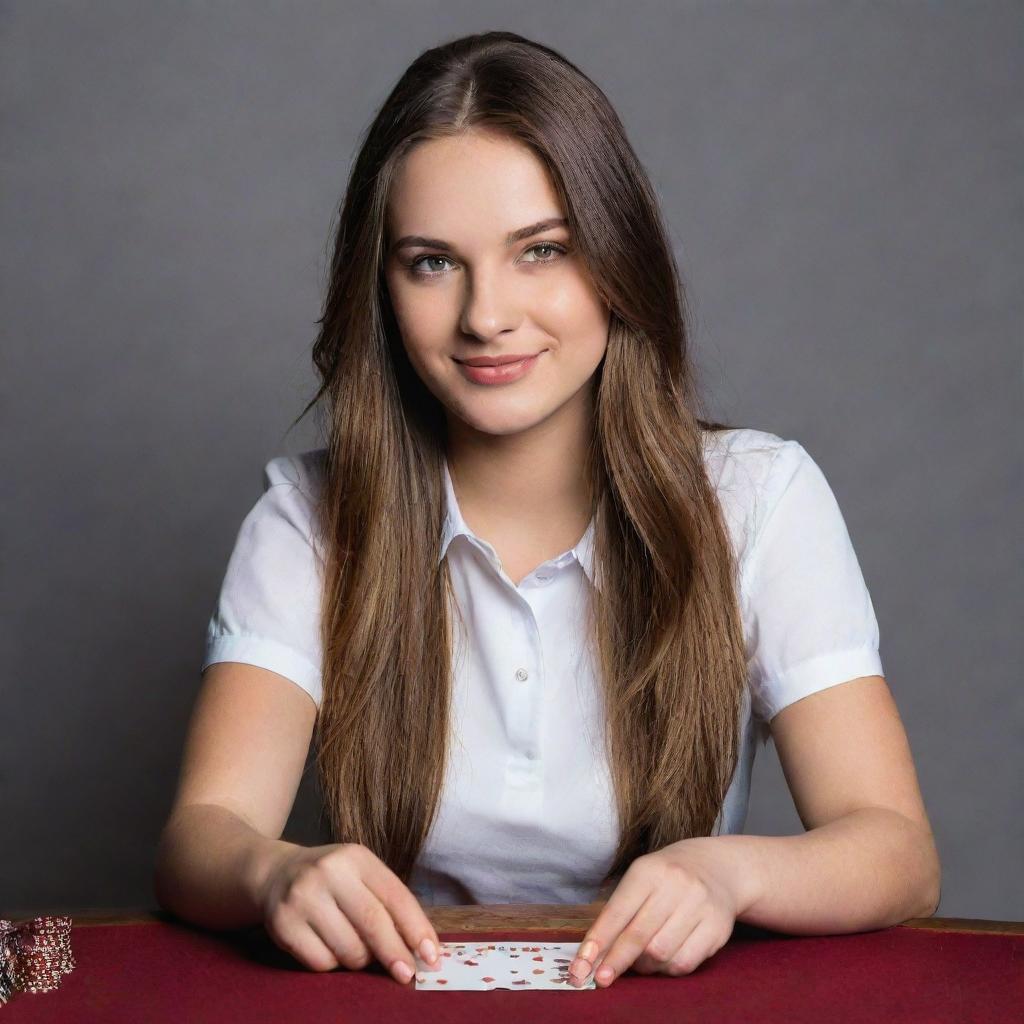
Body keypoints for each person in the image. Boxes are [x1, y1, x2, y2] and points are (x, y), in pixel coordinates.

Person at [153, 30, 940, 990]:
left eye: (542, 251)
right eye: (433, 263)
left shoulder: (759, 499)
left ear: (618, 257)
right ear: (383, 288)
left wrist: (731, 873)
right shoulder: (307, 517)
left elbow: (898, 852)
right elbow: (202, 836)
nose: (488, 314)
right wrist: (273, 871)